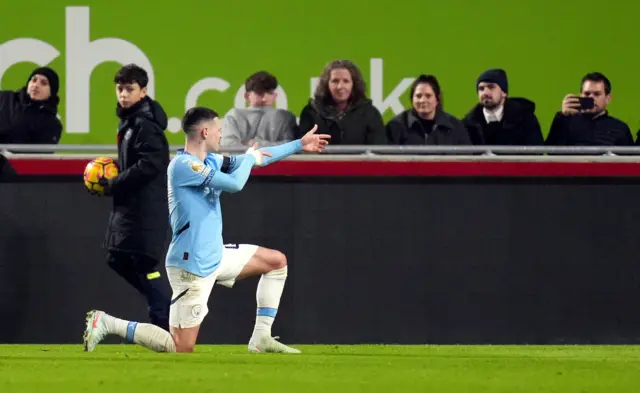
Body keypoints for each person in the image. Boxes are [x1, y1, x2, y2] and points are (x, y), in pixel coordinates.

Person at [83, 106, 330, 353]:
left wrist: (298, 144)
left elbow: (257, 158)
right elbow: (235, 183)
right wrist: (250, 159)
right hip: (191, 266)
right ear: (204, 132)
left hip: (215, 256)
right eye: (218, 130)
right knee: (180, 346)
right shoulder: (182, 166)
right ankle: (106, 322)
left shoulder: (211, 160)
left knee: (276, 262)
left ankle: (261, 338)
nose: (221, 135)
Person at [92, 64, 172, 331]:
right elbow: (137, 163)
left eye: (130, 89)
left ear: (143, 91)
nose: (123, 94)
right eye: (120, 88)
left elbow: (150, 165)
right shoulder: (130, 122)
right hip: (131, 208)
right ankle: (161, 307)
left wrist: (113, 183)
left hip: (144, 210)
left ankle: (165, 317)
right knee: (119, 258)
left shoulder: (145, 126)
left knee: (144, 265)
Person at [0, 66, 63, 145]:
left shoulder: (52, 124)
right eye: (34, 80)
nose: (36, 85)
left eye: (43, 83)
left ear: (52, 92)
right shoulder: (5, 97)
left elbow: (39, 154)